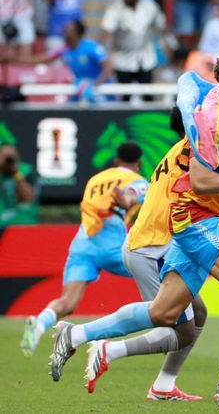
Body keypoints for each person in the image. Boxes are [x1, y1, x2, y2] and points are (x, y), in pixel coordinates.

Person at [50, 46, 219, 409]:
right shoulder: (212, 120)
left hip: (193, 220)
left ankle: (75, 334)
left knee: (164, 313)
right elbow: (201, 182)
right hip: (193, 216)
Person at [20, 142, 148, 358]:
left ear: (116, 160)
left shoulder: (95, 179)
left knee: (68, 301)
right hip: (111, 243)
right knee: (159, 275)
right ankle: (172, 323)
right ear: (140, 163)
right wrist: (125, 201)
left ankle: (39, 324)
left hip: (83, 242)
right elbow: (131, 196)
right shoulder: (139, 181)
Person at [16, 20, 113, 104]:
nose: (65, 33)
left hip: (100, 89)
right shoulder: (64, 49)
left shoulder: (91, 47)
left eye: (69, 30)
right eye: (65, 30)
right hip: (81, 88)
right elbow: (41, 59)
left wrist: (97, 83)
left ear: (78, 34)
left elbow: (108, 66)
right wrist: (16, 59)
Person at [101, 0, 166, 85]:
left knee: (147, 91)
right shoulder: (116, 9)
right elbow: (107, 29)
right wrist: (105, 52)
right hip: (123, 59)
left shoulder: (149, 7)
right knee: (125, 91)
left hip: (146, 57)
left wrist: (161, 43)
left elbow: (161, 25)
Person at [0, 144, 37, 228]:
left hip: (22, 225)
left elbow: (29, 198)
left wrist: (16, 173)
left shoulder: (25, 170)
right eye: (4, 156)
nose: (8, 161)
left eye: (10, 157)